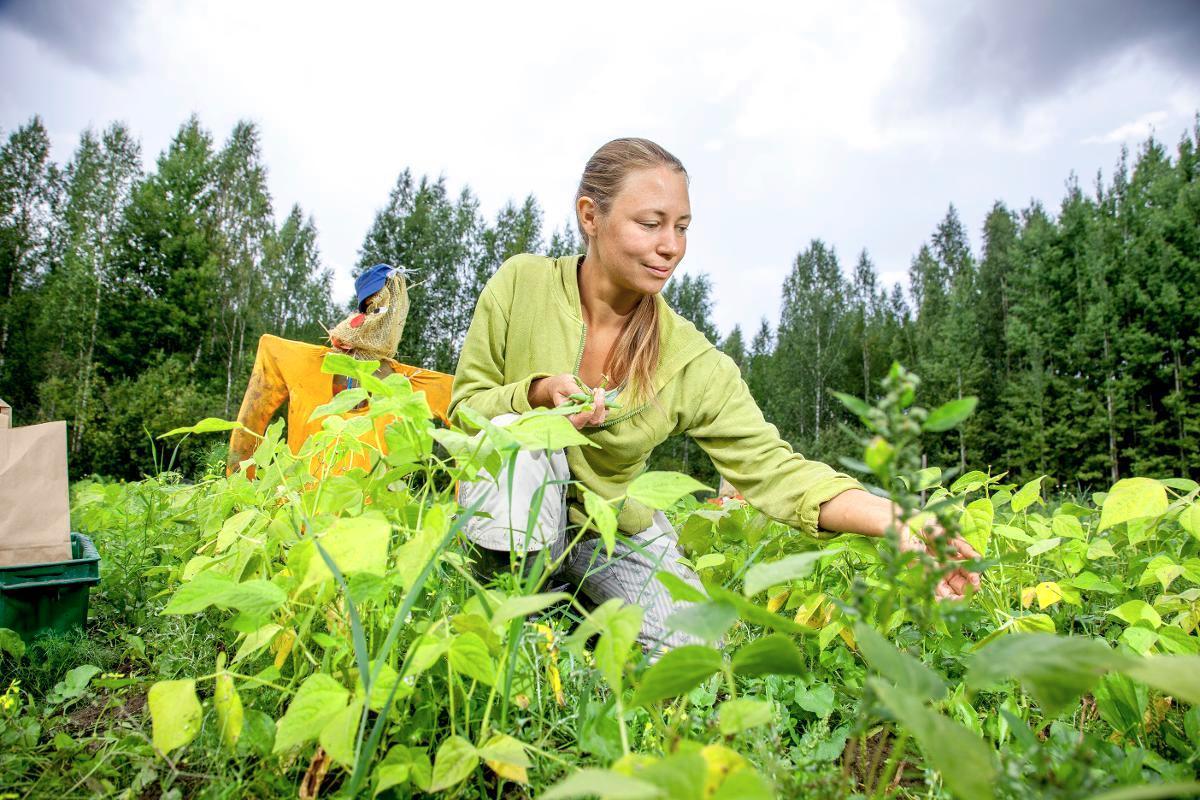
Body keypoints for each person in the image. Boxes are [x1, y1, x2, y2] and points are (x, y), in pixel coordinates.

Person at [450, 138, 979, 653]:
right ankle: (520, 614)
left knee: (695, 652)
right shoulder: (523, 284)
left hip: (605, 528)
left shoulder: (690, 361)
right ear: (591, 216)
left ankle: (581, 608)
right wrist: (537, 395)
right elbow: (465, 411)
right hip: (510, 510)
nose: (671, 247)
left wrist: (900, 521)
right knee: (520, 445)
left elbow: (777, 471)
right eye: (650, 224)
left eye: (681, 227)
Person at [227, 264, 454, 476]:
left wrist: (465, 510)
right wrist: (241, 489)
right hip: (298, 513)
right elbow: (248, 426)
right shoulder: (300, 362)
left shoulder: (410, 384)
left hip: (365, 516)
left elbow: (462, 406)